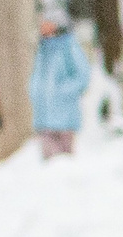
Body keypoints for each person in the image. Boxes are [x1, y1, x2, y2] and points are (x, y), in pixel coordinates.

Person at [29, 14, 89, 158]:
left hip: (64, 117)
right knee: (49, 165)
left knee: (63, 164)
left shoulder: (69, 47)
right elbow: (38, 76)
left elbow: (82, 76)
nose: (43, 28)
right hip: (44, 117)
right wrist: (34, 91)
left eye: (47, 23)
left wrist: (63, 92)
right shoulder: (42, 49)